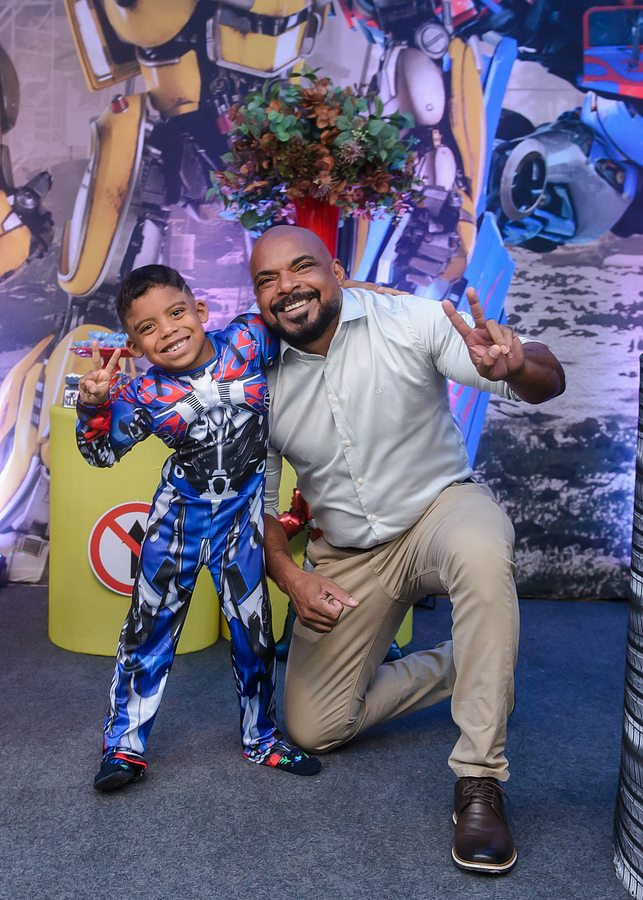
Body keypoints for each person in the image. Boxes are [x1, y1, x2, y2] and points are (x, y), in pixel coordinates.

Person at [250, 225, 565, 875]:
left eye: (301, 267)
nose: (287, 287)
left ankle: (479, 780)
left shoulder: (412, 319)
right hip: (347, 554)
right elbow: (262, 504)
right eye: (267, 279)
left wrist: (518, 362)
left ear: (337, 271)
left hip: (438, 512)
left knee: (483, 550)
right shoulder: (257, 376)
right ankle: (474, 661)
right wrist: (288, 575)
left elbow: (543, 380)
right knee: (314, 728)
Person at [76, 264, 320, 792]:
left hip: (241, 522)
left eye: (176, 313)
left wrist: (357, 288)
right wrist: (92, 405)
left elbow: (305, 318)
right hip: (177, 525)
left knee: (254, 635)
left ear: (201, 311)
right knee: (147, 633)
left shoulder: (249, 340)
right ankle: (124, 747)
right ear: (135, 346)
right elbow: (100, 455)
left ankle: (262, 738)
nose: (168, 331)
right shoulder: (143, 394)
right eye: (148, 328)